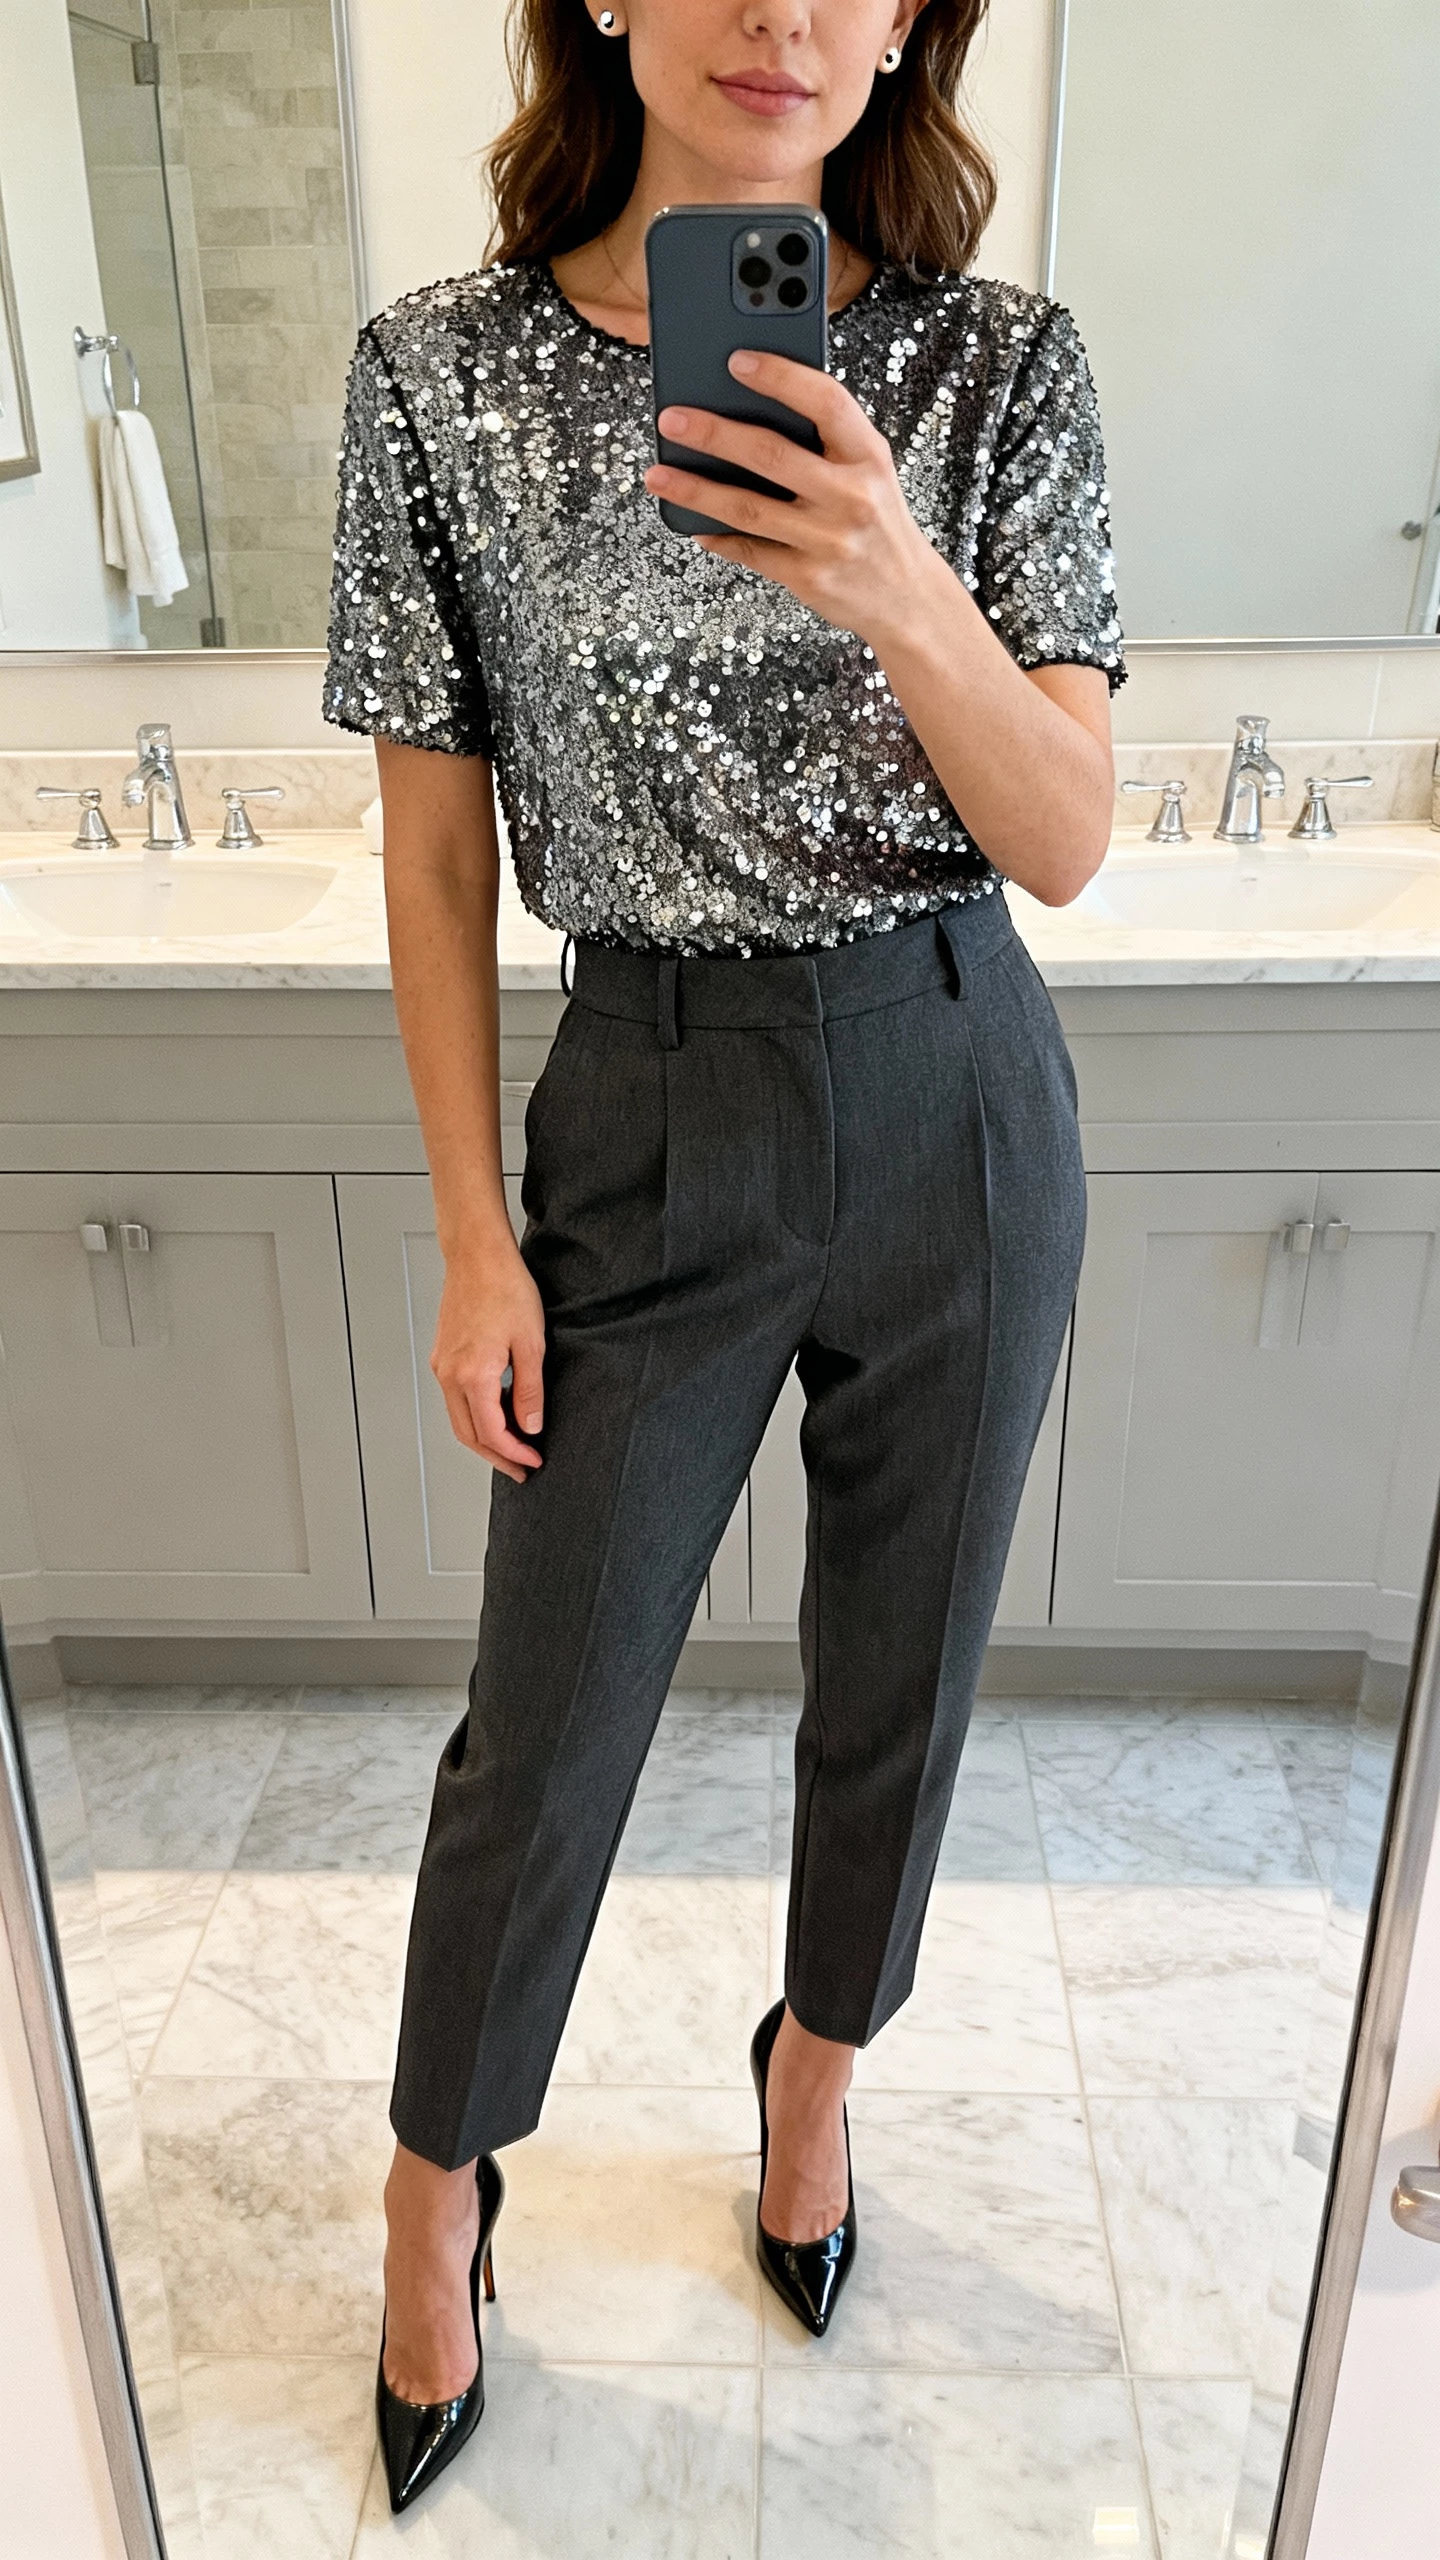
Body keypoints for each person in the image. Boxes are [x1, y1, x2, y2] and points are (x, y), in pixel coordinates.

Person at [324, 0, 1124, 2511]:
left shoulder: (1003, 371)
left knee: (903, 1671)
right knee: (545, 1721)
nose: (787, 16)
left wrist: (898, 574)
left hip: (952, 1082)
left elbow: (1070, 831)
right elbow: (439, 850)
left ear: (909, 27)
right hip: (642, 1110)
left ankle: (817, 2068)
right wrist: (477, 1236)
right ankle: (439, 2181)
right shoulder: (436, 378)